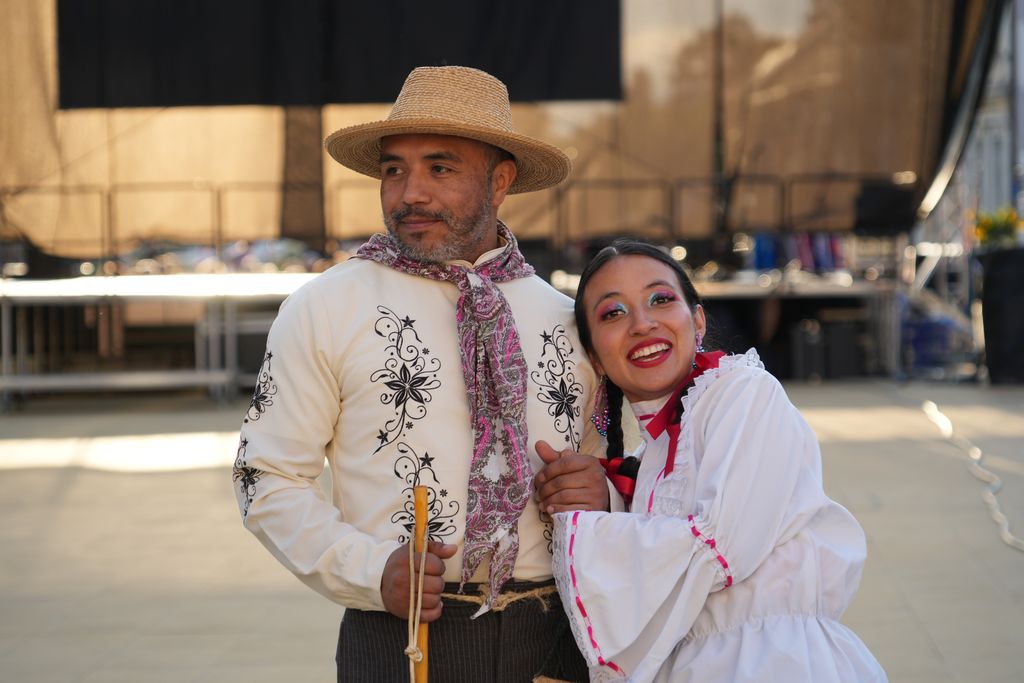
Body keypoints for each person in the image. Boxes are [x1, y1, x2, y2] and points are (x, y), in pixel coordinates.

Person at [231, 65, 618, 682]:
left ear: (500, 180)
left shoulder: (566, 317)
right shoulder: (326, 307)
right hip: (402, 635)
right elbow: (266, 476)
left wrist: (606, 495)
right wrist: (369, 570)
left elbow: (625, 470)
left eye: (440, 168)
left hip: (561, 639)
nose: (410, 193)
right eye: (394, 170)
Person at [547, 240, 887, 682]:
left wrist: (585, 529)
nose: (642, 323)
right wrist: (606, 499)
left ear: (698, 321)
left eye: (660, 299)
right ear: (595, 356)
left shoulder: (743, 392)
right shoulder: (652, 455)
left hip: (771, 663)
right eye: (613, 313)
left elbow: (720, 546)